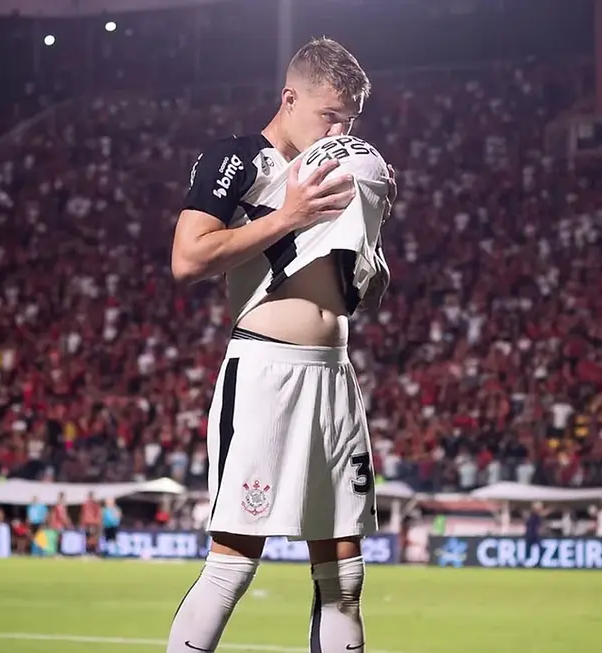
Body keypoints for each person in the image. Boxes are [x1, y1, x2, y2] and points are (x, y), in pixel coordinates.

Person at [168, 37, 395, 653]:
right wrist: (287, 216)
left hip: (334, 373)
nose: (342, 130)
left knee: (345, 576)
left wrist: (370, 259)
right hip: (266, 369)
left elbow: (354, 296)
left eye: (351, 120)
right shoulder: (239, 159)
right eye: (331, 116)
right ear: (289, 99)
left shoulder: (344, 172)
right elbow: (188, 259)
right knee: (234, 565)